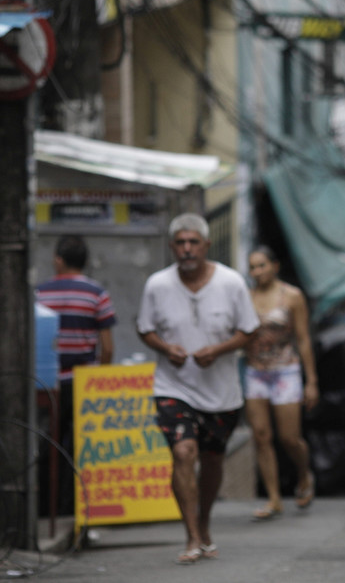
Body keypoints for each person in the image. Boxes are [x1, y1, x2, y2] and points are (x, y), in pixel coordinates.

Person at [137, 213, 259, 565]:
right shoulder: (157, 285)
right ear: (172, 246)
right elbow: (145, 328)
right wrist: (165, 348)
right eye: (180, 243)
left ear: (206, 245)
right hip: (173, 386)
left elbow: (249, 330)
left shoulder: (231, 282)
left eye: (193, 242)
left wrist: (218, 350)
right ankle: (191, 535)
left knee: (212, 460)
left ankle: (204, 524)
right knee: (183, 453)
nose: (187, 249)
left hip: (221, 392)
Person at [36, 235, 117, 515]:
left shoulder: (39, 294)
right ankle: (74, 509)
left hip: (46, 383)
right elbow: (107, 348)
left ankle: (46, 508)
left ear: (59, 259)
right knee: (80, 447)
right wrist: (101, 379)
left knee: (47, 443)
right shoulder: (96, 293)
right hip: (84, 383)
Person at [244, 246, 319, 521]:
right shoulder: (246, 297)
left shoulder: (292, 296)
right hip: (255, 371)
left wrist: (311, 381)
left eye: (262, 265)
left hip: (285, 371)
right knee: (261, 436)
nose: (257, 272)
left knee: (289, 438)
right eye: (252, 267)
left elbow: (303, 339)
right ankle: (274, 498)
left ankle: (303, 475)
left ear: (275, 266)